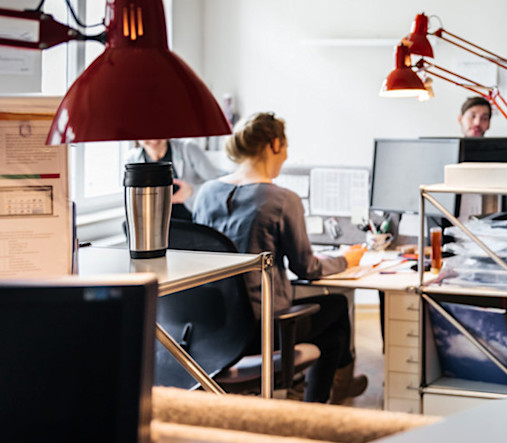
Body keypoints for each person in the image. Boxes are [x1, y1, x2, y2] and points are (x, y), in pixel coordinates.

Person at [192, 112, 368, 404]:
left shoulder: (206, 192)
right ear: (274, 144)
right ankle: (324, 404)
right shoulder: (282, 200)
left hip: (213, 330)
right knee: (336, 307)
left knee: (331, 339)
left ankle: (323, 402)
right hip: (262, 330)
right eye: (285, 147)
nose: (286, 156)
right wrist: (346, 259)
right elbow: (307, 268)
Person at [125, 138, 222, 220]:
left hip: (191, 219)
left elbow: (219, 186)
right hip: (155, 222)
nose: (154, 140)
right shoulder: (132, 159)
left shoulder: (188, 148)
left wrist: (192, 191)